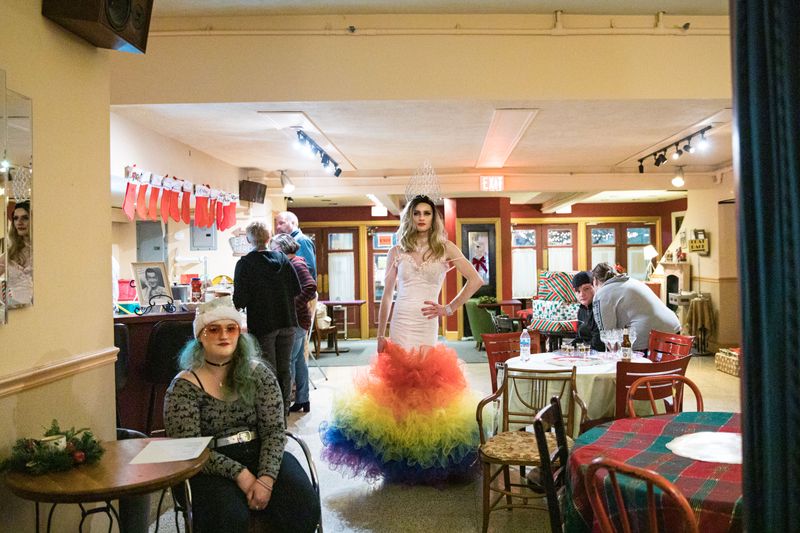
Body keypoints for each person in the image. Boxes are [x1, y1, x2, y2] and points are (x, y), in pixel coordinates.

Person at [321, 194, 485, 485]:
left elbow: (476, 280)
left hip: (426, 323)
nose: (422, 218)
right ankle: (397, 457)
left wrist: (448, 308)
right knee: (397, 387)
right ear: (409, 218)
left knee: (427, 387)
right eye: (417, 213)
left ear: (433, 218)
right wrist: (380, 333)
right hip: (400, 321)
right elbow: (386, 296)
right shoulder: (396, 250)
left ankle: (427, 457)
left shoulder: (445, 248)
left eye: (427, 213)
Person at [163, 296, 319, 533]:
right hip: (208, 464)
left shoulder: (260, 375)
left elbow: (274, 432)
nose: (223, 336)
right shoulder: (184, 386)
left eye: (231, 328)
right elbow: (190, 448)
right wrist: (240, 474)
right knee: (228, 516)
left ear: (239, 333)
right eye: (213, 329)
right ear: (199, 336)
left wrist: (266, 478)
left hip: (261, 451)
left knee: (301, 501)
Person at [233, 222, 300, 417]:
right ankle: (284, 409)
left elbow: (240, 300)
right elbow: (297, 289)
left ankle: (271, 411)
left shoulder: (245, 264)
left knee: (267, 369)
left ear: (248, 239)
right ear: (269, 237)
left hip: (263, 323)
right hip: (287, 320)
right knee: (284, 368)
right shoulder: (283, 260)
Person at [270, 233, 317, 414]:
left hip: (296, 319)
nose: (272, 252)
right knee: (298, 361)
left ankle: (286, 403)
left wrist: (291, 303)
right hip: (300, 319)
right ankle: (302, 399)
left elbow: (310, 287)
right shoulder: (294, 262)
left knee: (289, 360)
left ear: (281, 249)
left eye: (273, 248)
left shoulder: (295, 264)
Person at [591, 262, 681, 352]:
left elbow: (609, 337)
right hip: (674, 330)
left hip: (650, 340)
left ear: (595, 280)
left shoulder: (602, 293)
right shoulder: (632, 281)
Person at [1, 201, 33, 308]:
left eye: (25, 218)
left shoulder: (45, 251)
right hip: (15, 314)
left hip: (42, 313)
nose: (19, 222)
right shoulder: (10, 253)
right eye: (16, 218)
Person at [275, 211, 317, 280]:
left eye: (281, 223)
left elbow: (308, 269)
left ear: (293, 223)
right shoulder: (290, 240)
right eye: (276, 224)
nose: (278, 227)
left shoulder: (301, 240)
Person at [570, 271, 604, 352]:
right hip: (585, 353)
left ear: (594, 287)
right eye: (578, 291)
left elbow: (598, 344)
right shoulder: (581, 310)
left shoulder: (600, 308)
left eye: (586, 289)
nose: (581, 294)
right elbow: (579, 338)